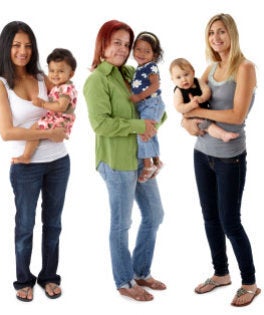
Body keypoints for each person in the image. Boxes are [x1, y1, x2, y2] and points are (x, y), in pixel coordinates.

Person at [83, 20, 166, 302]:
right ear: (103, 45)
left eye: (126, 44)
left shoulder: (132, 72)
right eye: (116, 42)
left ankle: (141, 271)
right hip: (116, 161)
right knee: (121, 223)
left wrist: (152, 123)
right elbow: (101, 124)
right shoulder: (97, 80)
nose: (123, 49)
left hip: (139, 157)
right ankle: (124, 280)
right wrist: (141, 126)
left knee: (155, 215)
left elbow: (153, 105)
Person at [181, 13, 260, 307]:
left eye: (222, 32)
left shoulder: (245, 68)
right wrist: (187, 121)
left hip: (230, 159)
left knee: (230, 221)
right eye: (211, 33)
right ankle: (221, 274)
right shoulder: (211, 68)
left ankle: (250, 282)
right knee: (210, 218)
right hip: (202, 154)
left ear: (232, 35)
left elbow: (237, 116)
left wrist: (202, 115)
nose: (216, 37)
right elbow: (186, 104)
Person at [0, 21, 69, 302]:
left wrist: (63, 121)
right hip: (25, 167)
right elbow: (6, 132)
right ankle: (23, 279)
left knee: (53, 223)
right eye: (16, 45)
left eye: (28, 45)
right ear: (5, 48)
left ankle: (49, 276)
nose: (22, 51)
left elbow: (63, 103)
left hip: (58, 161)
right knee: (25, 225)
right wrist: (48, 132)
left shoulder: (40, 76)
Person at [12, 48, 78, 164]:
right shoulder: (59, 87)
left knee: (34, 129)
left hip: (60, 120)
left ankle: (26, 156)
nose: (55, 74)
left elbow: (61, 106)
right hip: (57, 119)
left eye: (60, 71)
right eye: (52, 71)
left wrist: (43, 104)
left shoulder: (66, 88)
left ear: (71, 74)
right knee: (36, 129)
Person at [170, 57, 239, 142]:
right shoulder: (178, 91)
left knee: (211, 122)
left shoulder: (198, 81)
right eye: (178, 77)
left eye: (186, 74)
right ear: (172, 80)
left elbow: (207, 90)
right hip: (194, 117)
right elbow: (178, 107)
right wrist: (190, 105)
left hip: (206, 111)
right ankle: (223, 135)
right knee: (208, 125)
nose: (183, 79)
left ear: (193, 72)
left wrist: (202, 98)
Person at [129, 31, 165, 183]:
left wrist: (139, 97)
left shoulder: (151, 67)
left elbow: (155, 85)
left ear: (154, 55)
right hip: (145, 105)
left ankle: (147, 164)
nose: (142, 53)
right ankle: (157, 162)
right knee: (150, 133)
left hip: (152, 103)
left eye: (147, 51)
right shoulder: (138, 68)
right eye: (138, 49)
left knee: (143, 131)